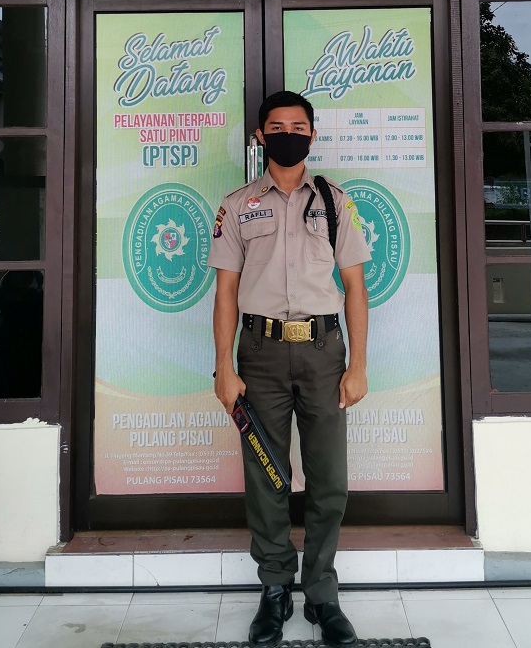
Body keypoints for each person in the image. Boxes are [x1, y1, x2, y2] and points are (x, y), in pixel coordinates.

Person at [209, 90, 370, 648]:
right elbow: (225, 292)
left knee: (329, 479)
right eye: (276, 127)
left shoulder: (335, 201)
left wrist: (358, 365)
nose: (288, 135)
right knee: (266, 475)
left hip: (324, 353)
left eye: (298, 126)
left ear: (312, 134)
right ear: (260, 136)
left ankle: (322, 593)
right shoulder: (238, 205)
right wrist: (223, 367)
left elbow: (355, 288)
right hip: (260, 354)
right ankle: (275, 588)